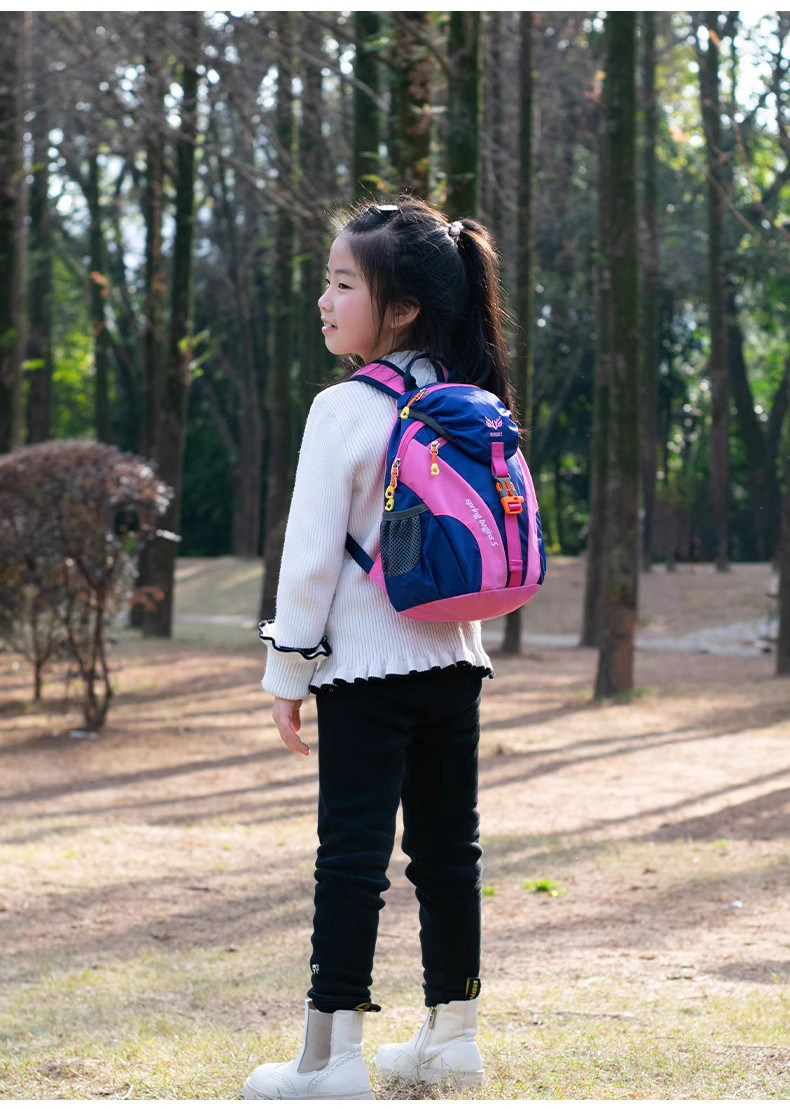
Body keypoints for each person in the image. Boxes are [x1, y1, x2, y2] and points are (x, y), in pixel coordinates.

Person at [243, 196, 519, 1101]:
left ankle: (332, 1060)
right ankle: (454, 1037)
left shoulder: (342, 409)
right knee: (449, 855)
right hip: (457, 661)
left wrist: (287, 673)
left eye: (342, 284)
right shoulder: (469, 395)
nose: (324, 301)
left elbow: (309, 561)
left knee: (351, 861)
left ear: (399, 307)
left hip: (364, 671)